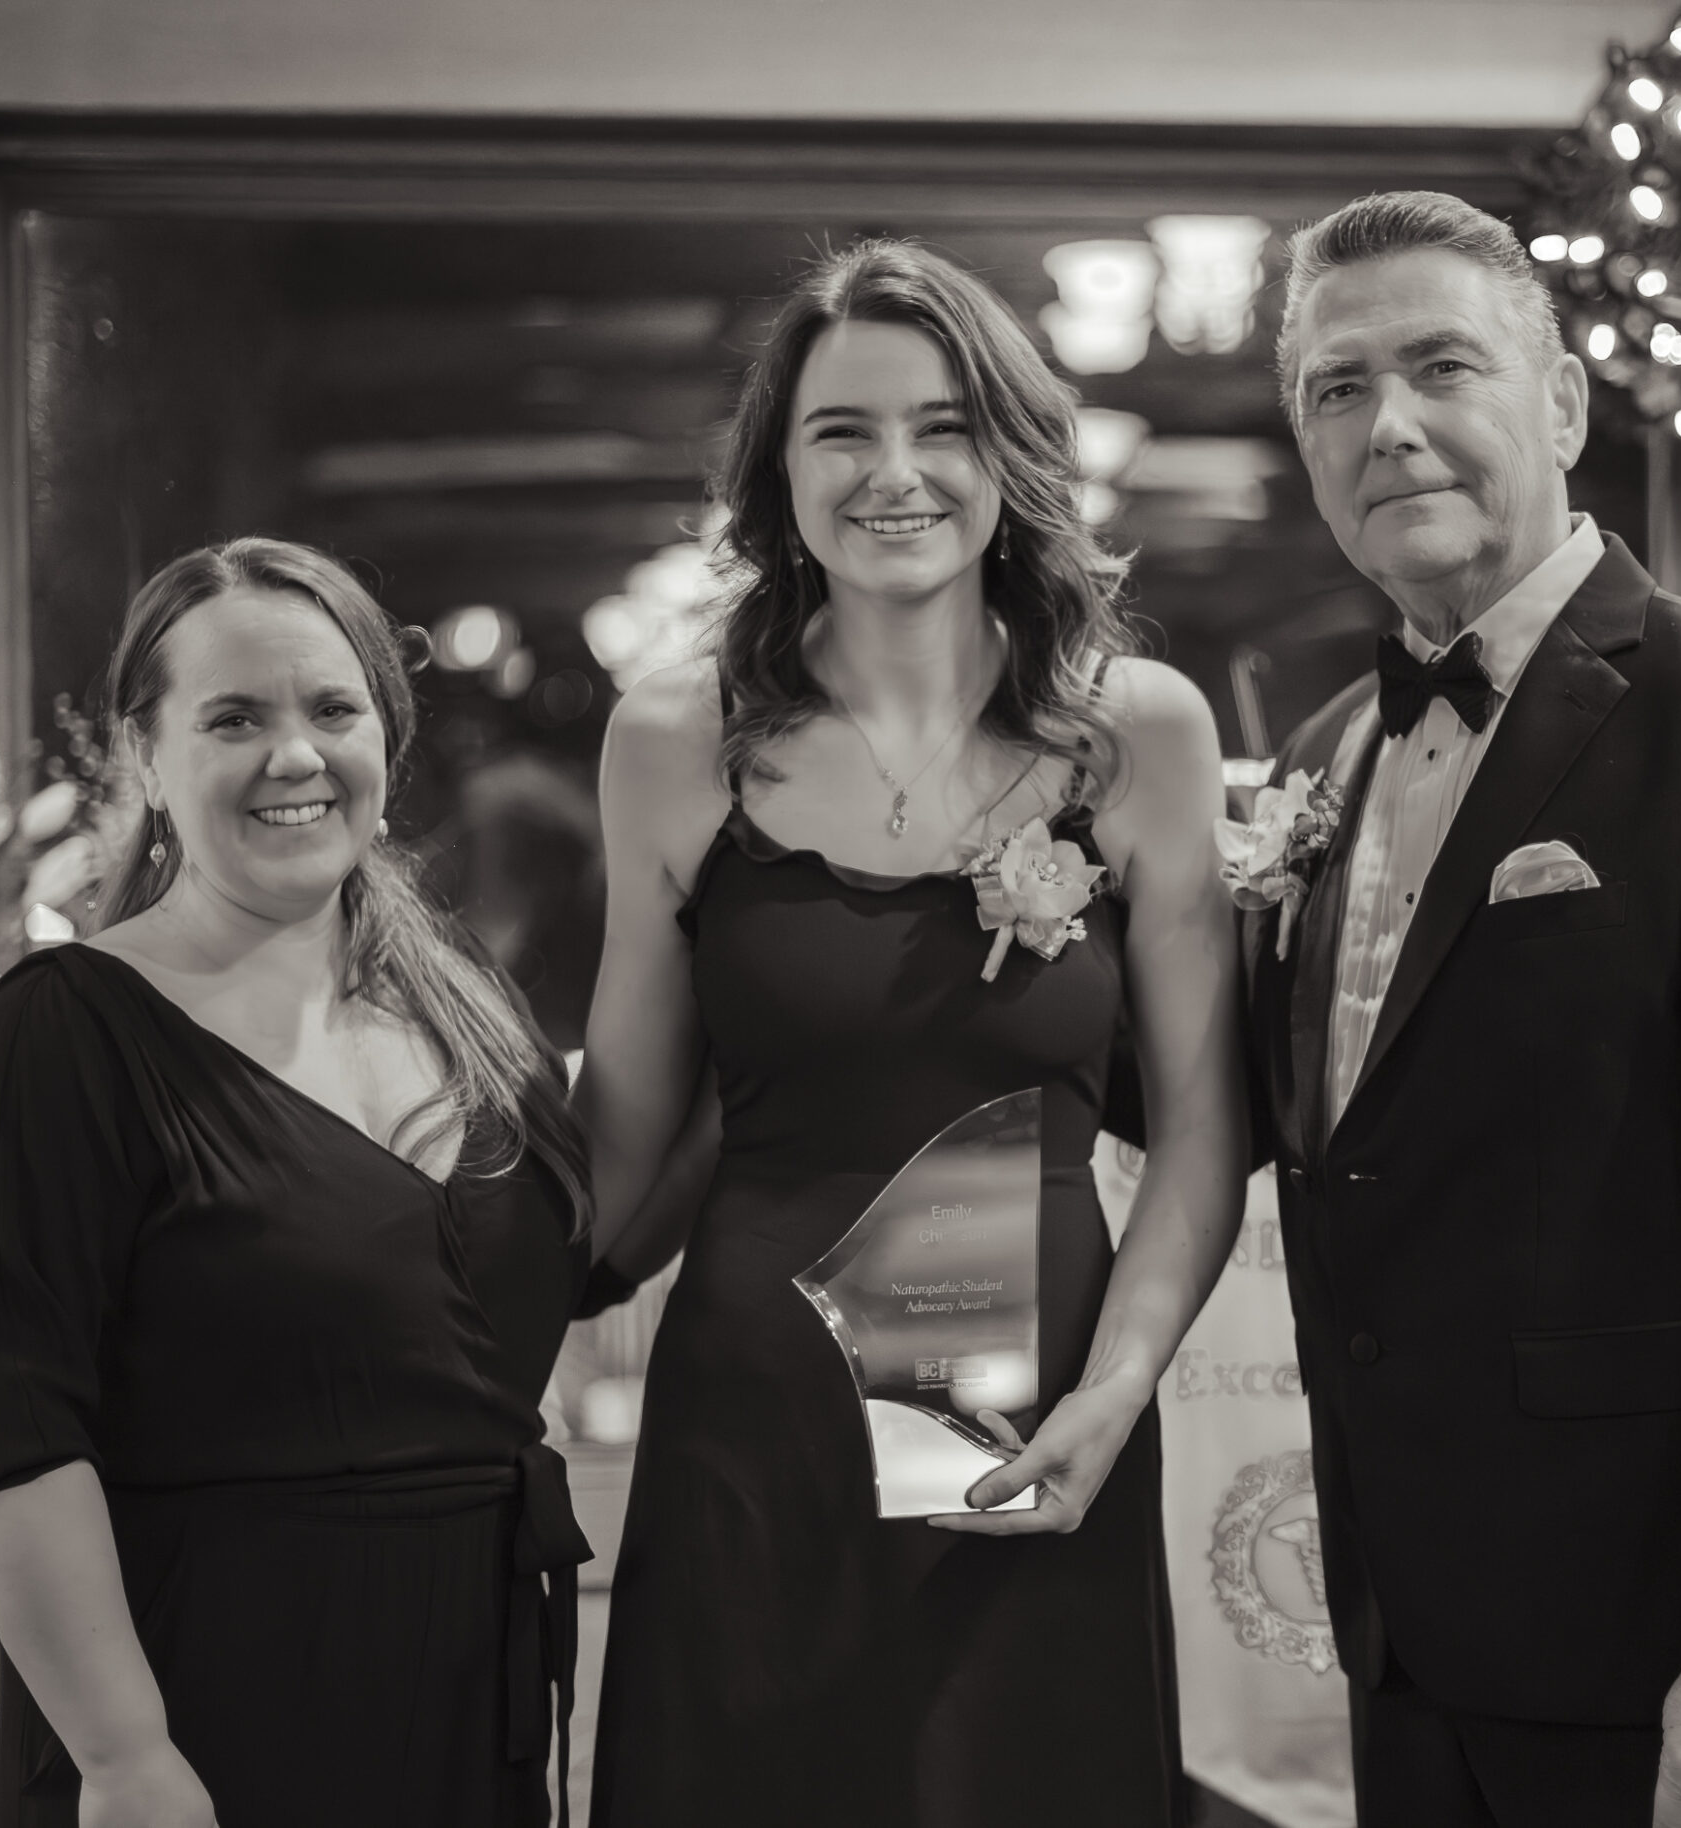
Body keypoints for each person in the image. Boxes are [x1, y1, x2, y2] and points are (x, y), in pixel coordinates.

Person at [1235, 192, 1681, 1827]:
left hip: (1666, 1649)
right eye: (1339, 389)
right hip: (1405, 1633)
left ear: (1558, 404)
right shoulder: (1323, 756)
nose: (1389, 425)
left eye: (1441, 367)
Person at [575, 239, 1248, 1827]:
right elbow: (617, 1153)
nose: (896, 473)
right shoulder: (673, 740)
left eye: (944, 427)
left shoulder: (1138, 733)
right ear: (778, 474)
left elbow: (1202, 1140)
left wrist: (1113, 1396)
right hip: (753, 1436)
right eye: (843, 432)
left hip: (1035, 1436)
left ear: (1010, 456)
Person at [0, 538, 592, 1828]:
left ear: (386, 739)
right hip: (204, 1714)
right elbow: (18, 1449)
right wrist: (125, 1758)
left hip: (466, 1710)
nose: (295, 756)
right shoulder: (55, 1042)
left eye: (334, 710)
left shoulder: (471, 1012)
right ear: (144, 754)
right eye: (234, 719)